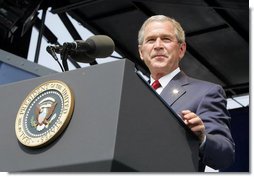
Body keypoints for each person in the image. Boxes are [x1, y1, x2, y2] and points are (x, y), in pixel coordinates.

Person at [137, 15, 235, 171]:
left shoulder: (207, 92)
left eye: (166, 39)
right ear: (141, 52)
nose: (158, 46)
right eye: (150, 40)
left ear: (181, 49)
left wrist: (203, 137)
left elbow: (225, 156)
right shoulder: (132, 94)